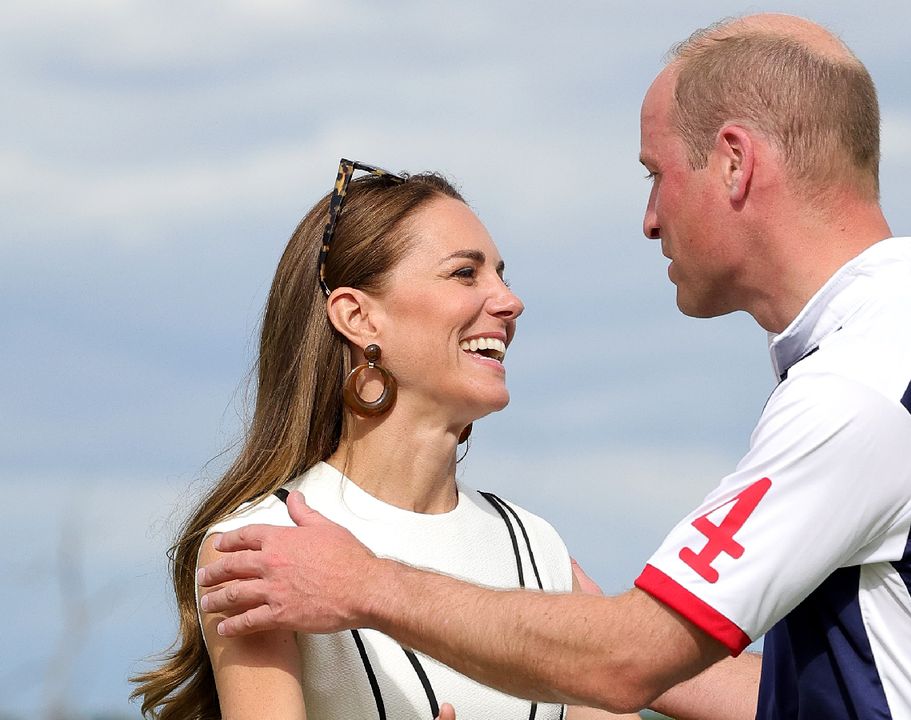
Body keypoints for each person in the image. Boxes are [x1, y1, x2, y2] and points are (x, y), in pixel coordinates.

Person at [198, 14, 911, 718]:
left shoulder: (865, 384)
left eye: (657, 173)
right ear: (355, 318)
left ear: (734, 163)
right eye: (465, 272)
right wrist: (557, 605)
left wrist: (364, 583)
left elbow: (627, 658)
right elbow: (764, 686)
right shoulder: (903, 355)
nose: (650, 218)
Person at [130, 160, 647, 719]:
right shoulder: (261, 546)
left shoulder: (535, 546)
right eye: (465, 274)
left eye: (501, 274)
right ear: (358, 316)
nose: (509, 301)